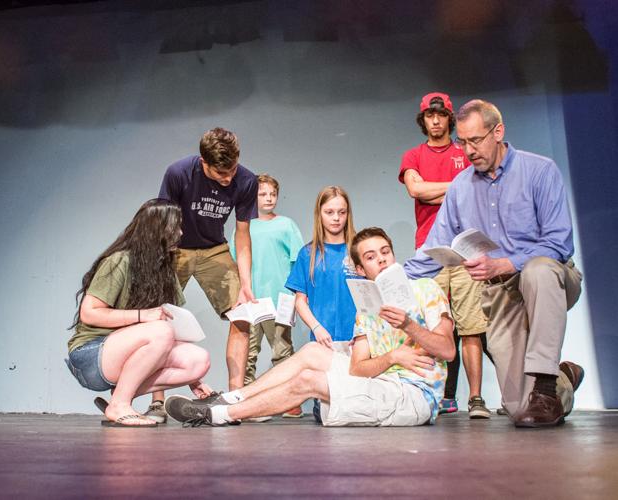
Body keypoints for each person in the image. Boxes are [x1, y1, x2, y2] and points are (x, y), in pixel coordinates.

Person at [405, 99, 585, 428]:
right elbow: (436, 248)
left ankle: (545, 386)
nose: (468, 150)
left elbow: (559, 242)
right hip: (502, 294)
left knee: (538, 269)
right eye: (462, 141)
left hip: (554, 280)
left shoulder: (540, 170)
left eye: (475, 140)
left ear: (497, 131)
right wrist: (390, 282)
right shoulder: (460, 188)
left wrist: (504, 263)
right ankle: (562, 379)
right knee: (519, 409)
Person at [164, 227, 455, 427]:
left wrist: (408, 325)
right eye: (370, 257)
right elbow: (357, 368)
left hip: (415, 395)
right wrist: (392, 357)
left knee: (309, 381)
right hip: (381, 381)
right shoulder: (367, 308)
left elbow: (447, 351)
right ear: (360, 269)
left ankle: (220, 414)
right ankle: (232, 396)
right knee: (313, 351)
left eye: (385, 252)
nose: (381, 259)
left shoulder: (425, 289)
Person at [66, 199, 213, 427]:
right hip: (90, 356)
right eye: (175, 227)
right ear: (157, 230)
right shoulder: (119, 262)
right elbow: (89, 313)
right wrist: (142, 316)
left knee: (198, 361)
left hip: (123, 354)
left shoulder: (164, 268)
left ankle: (120, 396)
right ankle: (120, 404)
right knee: (161, 330)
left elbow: (171, 327)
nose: (181, 232)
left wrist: (195, 381)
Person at [145, 128, 258, 423]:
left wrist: (245, 283)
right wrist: (159, 267)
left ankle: (236, 400)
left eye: (231, 169)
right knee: (161, 318)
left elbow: (243, 236)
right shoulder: (179, 173)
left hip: (214, 250)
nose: (228, 178)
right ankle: (158, 401)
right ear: (203, 162)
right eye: (221, 172)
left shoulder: (247, 181)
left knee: (243, 314)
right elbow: (162, 223)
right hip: (176, 249)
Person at [399, 92, 493, 418]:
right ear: (423, 119)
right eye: (429, 115)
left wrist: (436, 189)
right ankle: (436, 393)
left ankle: (476, 399)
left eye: (440, 115)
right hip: (430, 250)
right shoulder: (413, 155)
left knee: (470, 325)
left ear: (450, 118)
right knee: (432, 324)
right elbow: (416, 190)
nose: (435, 121)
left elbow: (474, 191)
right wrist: (456, 186)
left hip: (466, 247)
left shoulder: (463, 151)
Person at [230, 174, 305, 418]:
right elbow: (235, 262)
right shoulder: (243, 228)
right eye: (263, 194)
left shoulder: (286, 225)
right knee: (248, 353)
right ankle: (249, 403)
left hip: (280, 298)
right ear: (253, 197)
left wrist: (295, 295)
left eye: (272, 193)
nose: (269, 198)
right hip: (251, 302)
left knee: (281, 351)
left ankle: (288, 402)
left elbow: (298, 261)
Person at [285, 186, 359, 421]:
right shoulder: (308, 253)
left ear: (348, 214)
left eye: (341, 212)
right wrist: (317, 328)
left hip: (356, 342)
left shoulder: (358, 250)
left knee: (353, 407)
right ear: (320, 214)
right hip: (323, 343)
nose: (336, 218)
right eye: (329, 212)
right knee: (326, 415)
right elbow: (300, 301)